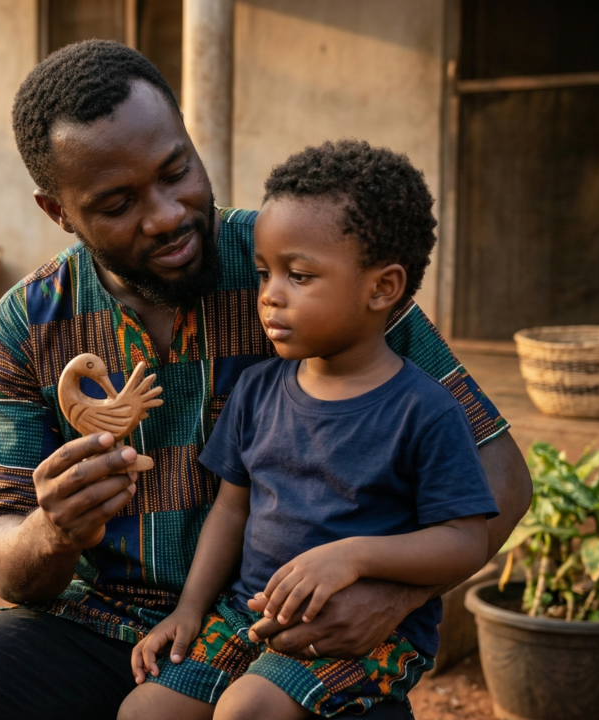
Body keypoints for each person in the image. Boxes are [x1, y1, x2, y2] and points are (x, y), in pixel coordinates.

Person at [0, 41, 531, 720]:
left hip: (288, 632)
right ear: (59, 212)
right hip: (101, 628)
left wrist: (391, 596)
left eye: (177, 170)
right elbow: (5, 555)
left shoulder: (304, 265)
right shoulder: (30, 323)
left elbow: (500, 476)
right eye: (117, 204)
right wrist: (54, 528)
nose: (167, 213)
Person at [123, 140, 497, 719]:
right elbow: (231, 510)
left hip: (359, 632)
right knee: (146, 711)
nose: (270, 295)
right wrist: (191, 609)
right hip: (248, 615)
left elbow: (466, 540)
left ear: (382, 288)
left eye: (298, 275)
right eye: (265, 273)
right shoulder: (257, 391)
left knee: (246, 710)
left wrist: (354, 557)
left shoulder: (424, 411)